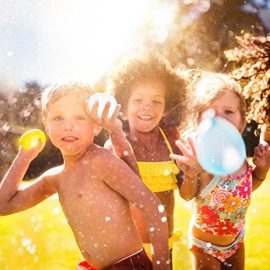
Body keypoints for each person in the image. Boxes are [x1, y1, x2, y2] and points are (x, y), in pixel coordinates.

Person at [0, 83, 171, 270]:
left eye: (79, 117)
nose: (68, 126)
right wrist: (24, 156)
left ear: (96, 126)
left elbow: (154, 208)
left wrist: (162, 266)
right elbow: (4, 205)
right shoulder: (55, 178)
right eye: (58, 118)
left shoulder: (100, 161)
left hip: (128, 265)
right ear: (46, 126)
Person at [170, 73, 270, 269]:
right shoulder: (201, 158)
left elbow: (247, 187)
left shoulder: (240, 158)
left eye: (228, 111)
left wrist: (262, 170)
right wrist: (191, 175)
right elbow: (187, 195)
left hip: (236, 242)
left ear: (242, 122)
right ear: (199, 121)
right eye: (211, 113)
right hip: (204, 247)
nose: (220, 119)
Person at [106, 53, 190, 256]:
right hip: (129, 250)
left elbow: (187, 194)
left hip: (164, 245)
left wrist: (192, 174)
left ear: (167, 106)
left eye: (156, 101)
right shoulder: (115, 145)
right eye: (138, 100)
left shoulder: (172, 142)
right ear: (123, 106)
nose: (147, 107)